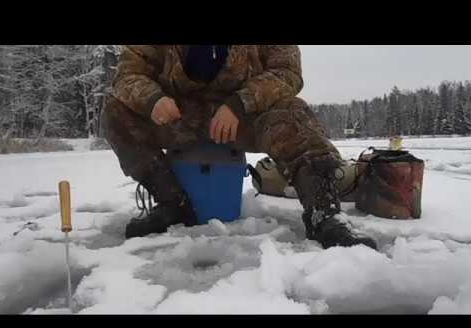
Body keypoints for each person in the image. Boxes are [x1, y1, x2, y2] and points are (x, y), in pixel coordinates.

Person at [102, 45, 377, 250]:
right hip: (178, 114)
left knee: (293, 112)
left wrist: (239, 103)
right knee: (116, 111)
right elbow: (127, 75)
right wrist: (153, 99)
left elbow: (287, 74)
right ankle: (172, 203)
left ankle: (323, 214)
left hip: (245, 115)